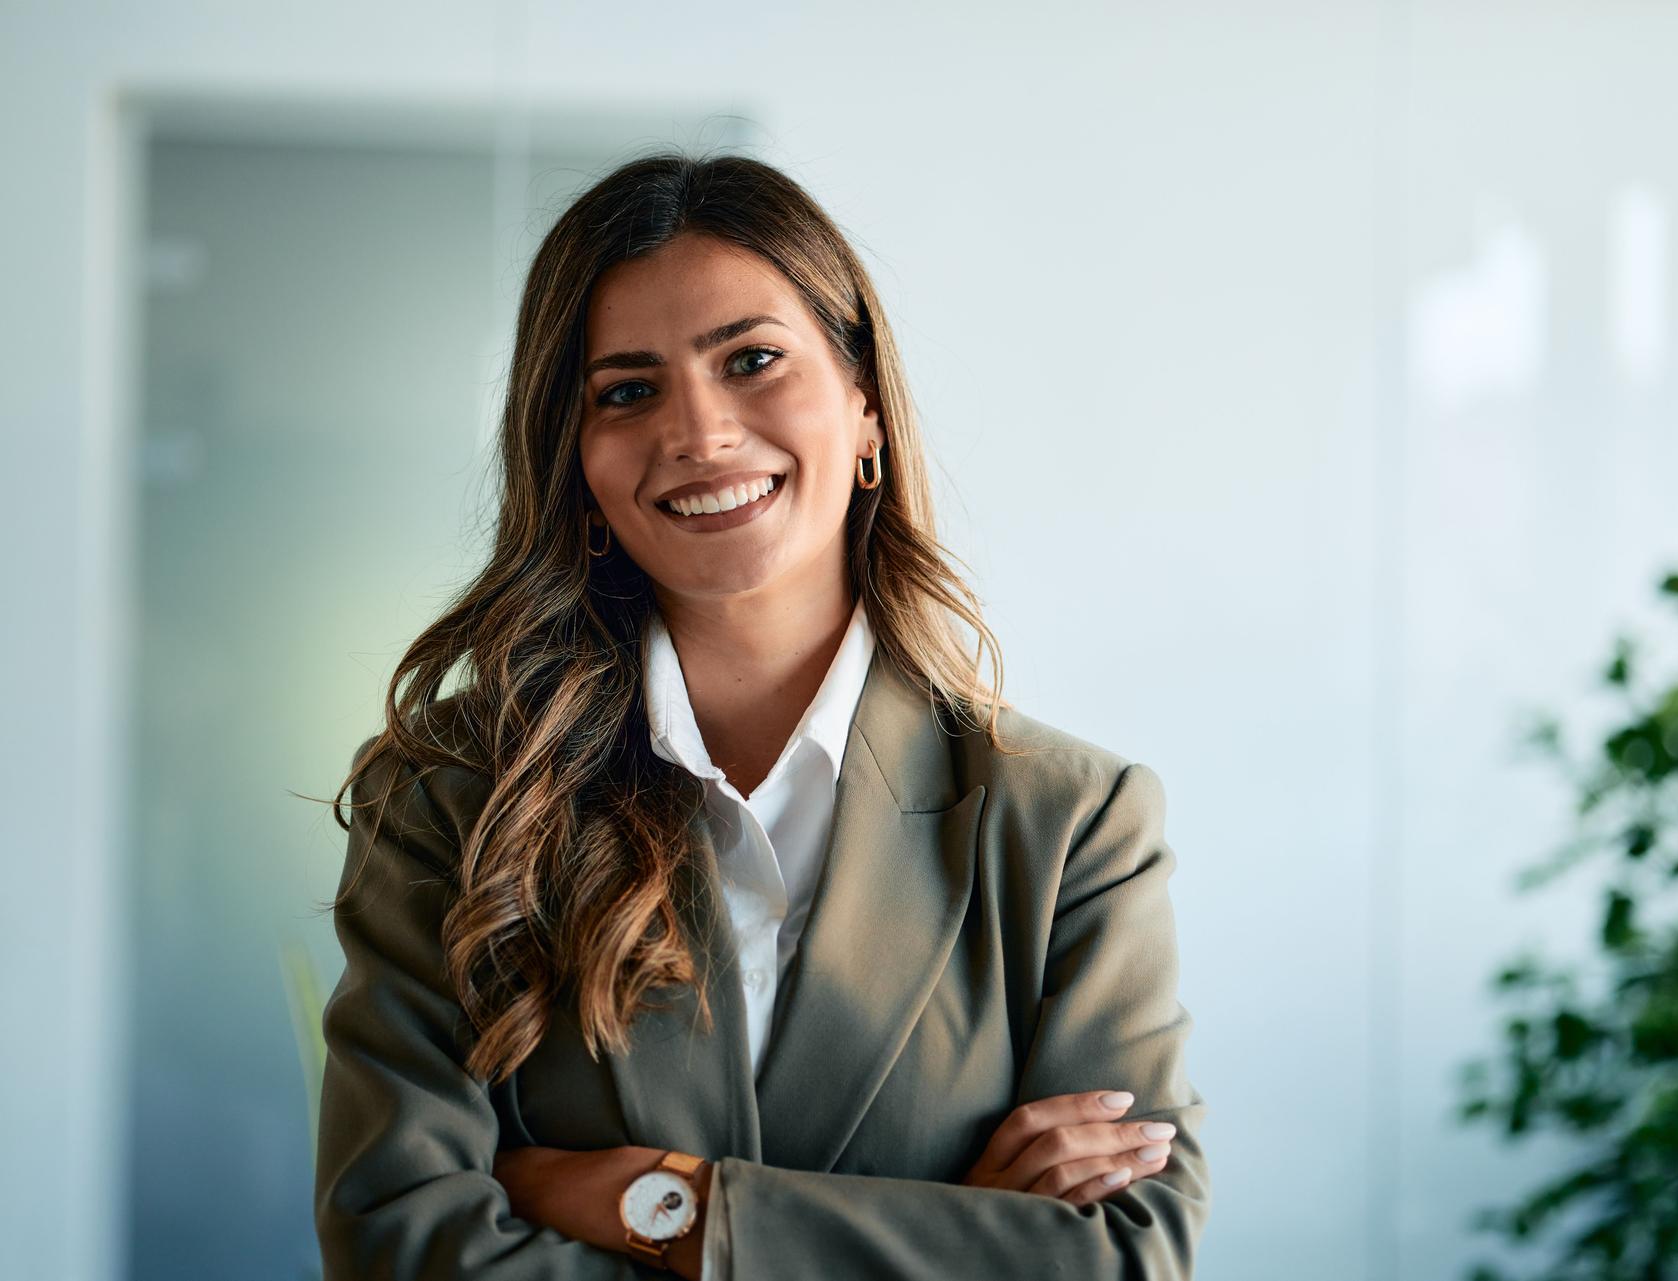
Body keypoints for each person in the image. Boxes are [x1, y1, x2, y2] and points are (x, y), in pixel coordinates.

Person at [313, 150, 1208, 1280]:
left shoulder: (1073, 823)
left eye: (752, 360)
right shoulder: (449, 800)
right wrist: (955, 1237)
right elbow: (401, 1243)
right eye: (628, 390)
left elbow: (1127, 1258)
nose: (699, 432)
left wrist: (670, 1209)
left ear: (866, 406)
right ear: (577, 462)